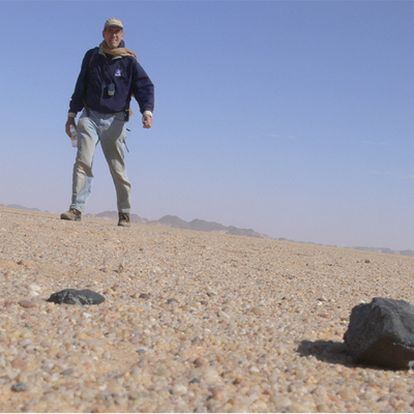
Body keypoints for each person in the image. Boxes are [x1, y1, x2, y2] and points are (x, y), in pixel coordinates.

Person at [61, 18, 154, 227]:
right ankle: (76, 208)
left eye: (118, 32)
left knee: (118, 168)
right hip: (90, 116)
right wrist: (71, 114)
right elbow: (80, 84)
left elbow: (145, 87)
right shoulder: (92, 56)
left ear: (122, 35)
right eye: (110, 31)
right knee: (83, 160)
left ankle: (124, 212)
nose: (114, 35)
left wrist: (147, 111)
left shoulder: (129, 61)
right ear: (103, 33)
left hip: (116, 121)